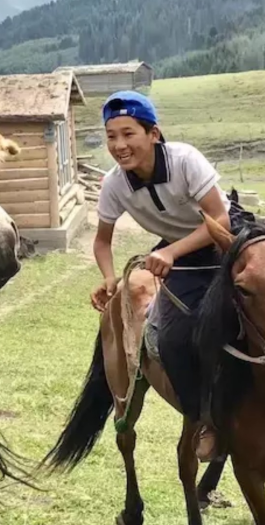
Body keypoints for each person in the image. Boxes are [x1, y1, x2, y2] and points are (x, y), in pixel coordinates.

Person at [90, 91, 251, 462]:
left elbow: (220, 220)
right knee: (174, 339)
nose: (119, 145)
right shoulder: (115, 185)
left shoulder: (184, 160)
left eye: (128, 134)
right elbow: (101, 242)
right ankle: (207, 420)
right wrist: (110, 279)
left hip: (228, 240)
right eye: (111, 136)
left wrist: (169, 252)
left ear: (153, 134)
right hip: (182, 255)